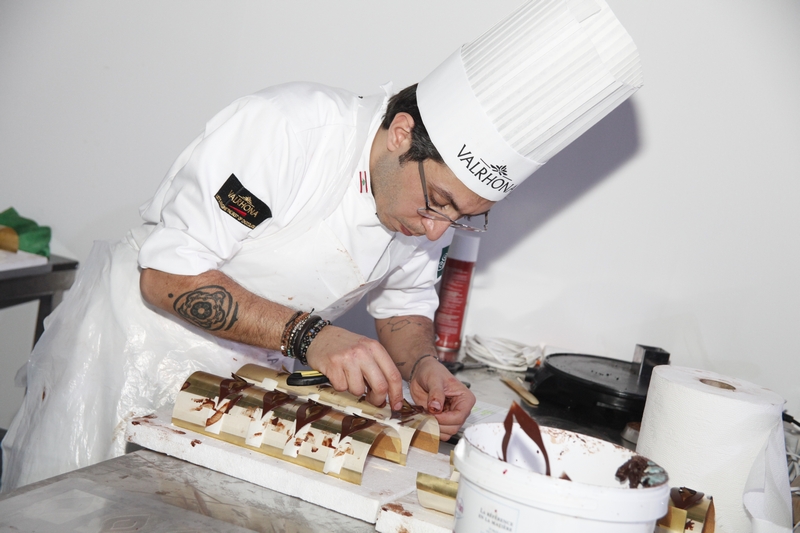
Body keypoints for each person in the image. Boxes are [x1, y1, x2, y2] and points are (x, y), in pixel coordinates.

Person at [1, 0, 643, 492]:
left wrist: (424, 367)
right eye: (440, 203)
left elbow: (405, 308)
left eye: (466, 219)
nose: (439, 231)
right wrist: (312, 337)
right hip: (125, 358)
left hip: (237, 381)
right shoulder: (288, 132)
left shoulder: (418, 207)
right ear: (400, 134)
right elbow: (166, 279)